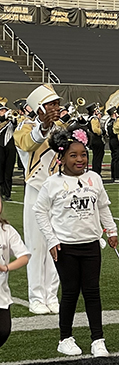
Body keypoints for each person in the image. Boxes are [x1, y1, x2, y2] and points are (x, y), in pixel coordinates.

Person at [34, 125, 117, 357]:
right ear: (61, 158)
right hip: (65, 247)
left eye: (83, 155)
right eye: (73, 155)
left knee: (92, 291)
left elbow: (103, 207)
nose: (80, 159)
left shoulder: (94, 179)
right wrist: (51, 240)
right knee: (70, 291)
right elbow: (40, 211)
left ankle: (98, 339)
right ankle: (65, 338)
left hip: (91, 244)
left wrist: (111, 231)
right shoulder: (52, 183)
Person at [14, 84, 65, 315]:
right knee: (36, 245)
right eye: (51, 104)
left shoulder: (62, 128)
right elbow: (28, 143)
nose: (56, 108)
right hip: (36, 189)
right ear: (39, 108)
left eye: (57, 103)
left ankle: (51, 294)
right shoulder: (24, 127)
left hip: (59, 190)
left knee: (57, 244)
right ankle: (36, 295)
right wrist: (44, 126)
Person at [0, 196, 30, 365]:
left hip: (1, 293)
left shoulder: (7, 230)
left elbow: (24, 256)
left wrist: (7, 267)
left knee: (3, 330)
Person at [0, 102, 15, 201]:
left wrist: (13, 118)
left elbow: (16, 124)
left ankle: (7, 193)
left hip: (10, 147)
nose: (4, 112)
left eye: (5, 110)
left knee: (8, 171)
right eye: (1, 110)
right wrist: (4, 117)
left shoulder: (10, 121)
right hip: (0, 146)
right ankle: (1, 191)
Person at [85, 103, 104, 176]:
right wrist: (102, 132)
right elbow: (95, 130)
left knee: (96, 156)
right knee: (98, 157)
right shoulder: (94, 119)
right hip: (96, 139)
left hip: (92, 139)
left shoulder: (89, 118)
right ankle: (96, 172)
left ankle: (95, 171)